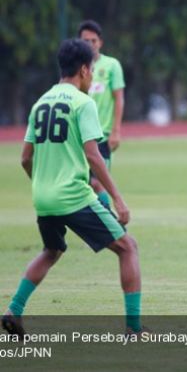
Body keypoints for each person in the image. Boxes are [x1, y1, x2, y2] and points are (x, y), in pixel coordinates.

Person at [1, 39, 143, 338]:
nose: (92, 76)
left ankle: (14, 310)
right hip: (74, 195)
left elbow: (26, 158)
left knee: (51, 250)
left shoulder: (40, 103)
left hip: (43, 197)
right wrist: (118, 199)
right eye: (91, 70)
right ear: (83, 69)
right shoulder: (83, 103)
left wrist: (42, 183)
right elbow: (94, 154)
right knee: (128, 248)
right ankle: (134, 328)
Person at [78, 20, 125, 208]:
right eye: (85, 41)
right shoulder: (75, 68)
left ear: (100, 42)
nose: (90, 45)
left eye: (93, 41)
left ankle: (108, 220)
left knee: (98, 182)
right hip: (79, 135)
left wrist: (116, 130)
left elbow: (119, 98)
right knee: (84, 183)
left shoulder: (111, 65)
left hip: (101, 134)